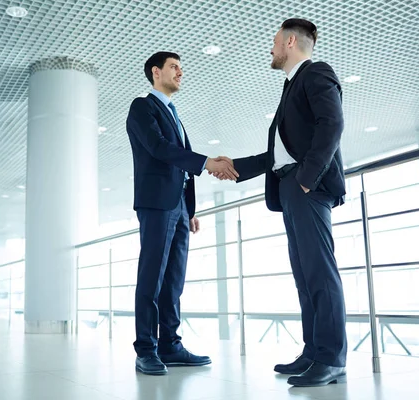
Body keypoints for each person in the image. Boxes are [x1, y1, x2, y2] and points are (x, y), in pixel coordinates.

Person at [213, 18, 348, 387]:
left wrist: (306, 180)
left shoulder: (316, 72)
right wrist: (234, 167)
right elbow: (278, 154)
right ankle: (313, 352)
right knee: (305, 276)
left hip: (308, 187)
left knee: (320, 273)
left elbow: (332, 125)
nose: (271, 48)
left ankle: (332, 358)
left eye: (275, 41)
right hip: (291, 188)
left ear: (290, 41)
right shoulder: (291, 87)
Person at [126, 51, 238, 375]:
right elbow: (161, 149)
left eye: (181, 68)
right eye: (174, 67)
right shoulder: (142, 107)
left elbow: (179, 164)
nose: (180, 72)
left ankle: (170, 345)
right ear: (155, 71)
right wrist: (207, 162)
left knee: (174, 279)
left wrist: (189, 209)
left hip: (178, 207)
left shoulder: (175, 114)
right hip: (156, 204)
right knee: (152, 276)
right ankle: (145, 349)